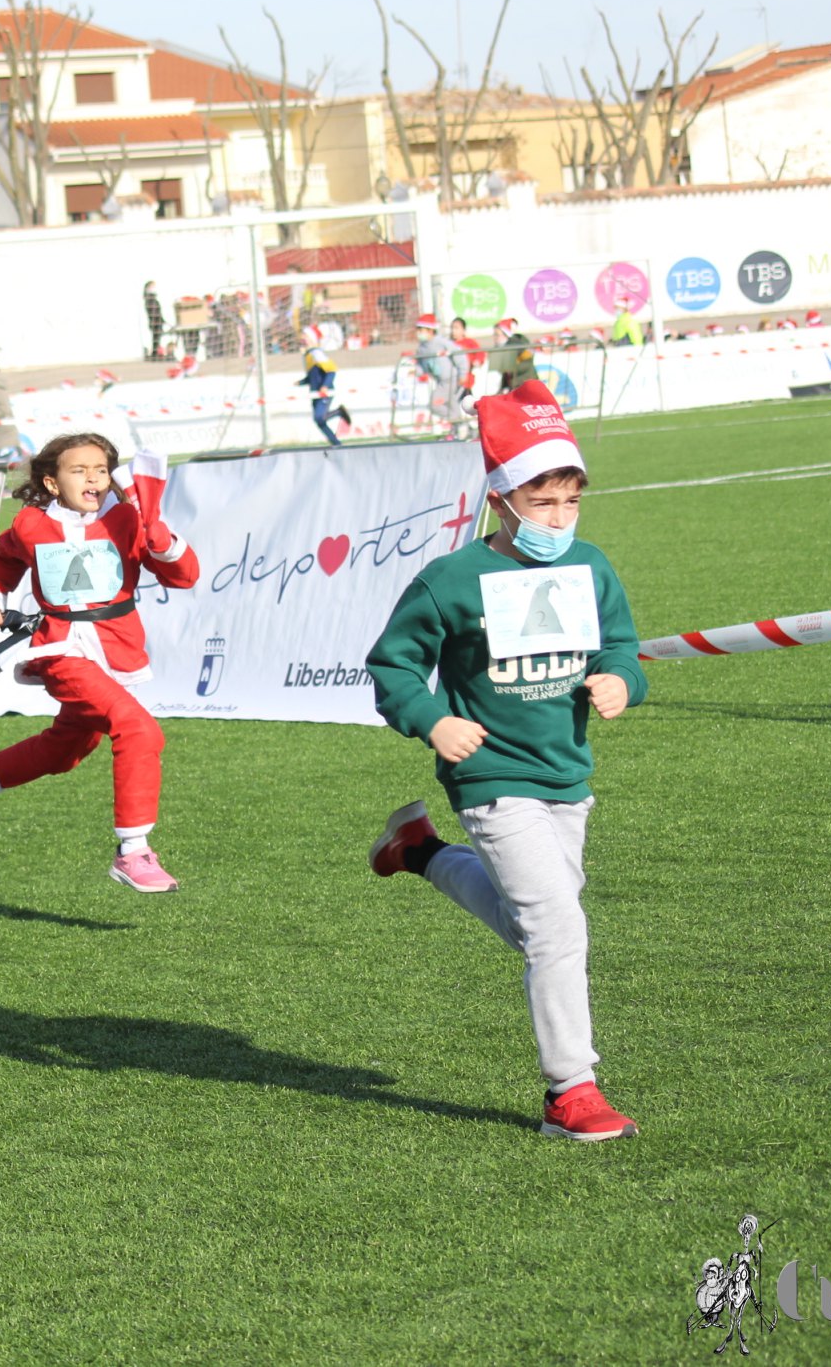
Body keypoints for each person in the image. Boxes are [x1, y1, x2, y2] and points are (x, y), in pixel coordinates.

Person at [364, 379, 646, 1141]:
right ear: (501, 502)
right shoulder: (451, 581)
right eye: (541, 502)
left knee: (539, 924)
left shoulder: (589, 567)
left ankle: (419, 853)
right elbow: (391, 667)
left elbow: (621, 644)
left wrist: (625, 679)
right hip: (490, 777)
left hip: (567, 772)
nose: (558, 519)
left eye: (569, 503)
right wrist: (433, 720)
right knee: (557, 926)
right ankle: (570, 1092)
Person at [0, 435, 201, 892]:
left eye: (100, 470)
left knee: (66, 749)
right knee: (139, 729)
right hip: (59, 648)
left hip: (116, 648)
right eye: (78, 470)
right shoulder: (30, 524)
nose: (92, 478)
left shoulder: (128, 519)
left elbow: (185, 575)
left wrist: (155, 529)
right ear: (52, 481)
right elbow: (1, 563)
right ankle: (133, 851)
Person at [412, 315, 469, 436]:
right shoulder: (422, 348)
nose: (418, 333)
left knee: (435, 404)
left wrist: (463, 373)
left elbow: (460, 355)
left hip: (451, 380)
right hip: (441, 382)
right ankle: (461, 429)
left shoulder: (440, 342)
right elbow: (422, 364)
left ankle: (459, 424)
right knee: (453, 407)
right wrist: (416, 371)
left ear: (430, 331)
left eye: (421, 330)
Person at [298, 326, 352, 446]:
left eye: (305, 336)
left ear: (312, 338)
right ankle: (336, 443)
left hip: (323, 392)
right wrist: (301, 382)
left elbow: (331, 370)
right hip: (315, 392)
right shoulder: (308, 355)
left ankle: (339, 412)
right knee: (319, 421)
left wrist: (326, 386)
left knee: (319, 417)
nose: (302, 338)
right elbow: (312, 376)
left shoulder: (316, 353)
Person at [488, 317, 537, 393]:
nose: (494, 338)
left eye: (497, 335)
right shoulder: (504, 350)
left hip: (525, 385)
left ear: (506, 335)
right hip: (514, 386)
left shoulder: (518, 346)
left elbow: (523, 366)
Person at [450, 316, 486, 414]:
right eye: (452, 328)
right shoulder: (449, 344)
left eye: (456, 328)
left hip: (466, 381)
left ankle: (470, 423)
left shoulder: (469, 343)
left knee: (468, 403)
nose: (453, 331)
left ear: (463, 330)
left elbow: (480, 353)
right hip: (452, 380)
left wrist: (477, 361)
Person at [143, 281, 167, 360]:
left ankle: (155, 353)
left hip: (157, 321)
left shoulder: (152, 299)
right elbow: (154, 312)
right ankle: (155, 354)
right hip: (155, 322)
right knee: (156, 338)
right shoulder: (150, 300)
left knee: (157, 338)